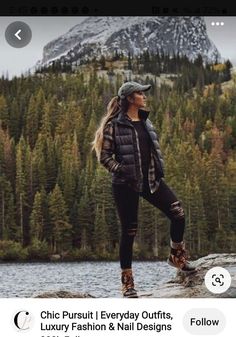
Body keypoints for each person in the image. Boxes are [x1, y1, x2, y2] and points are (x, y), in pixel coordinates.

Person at [92, 81, 196, 298]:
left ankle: (177, 256)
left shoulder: (146, 122)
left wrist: (158, 169)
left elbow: (152, 152)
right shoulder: (114, 126)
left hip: (151, 181)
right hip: (125, 184)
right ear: (130, 98)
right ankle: (127, 284)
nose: (144, 96)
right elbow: (104, 158)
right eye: (140, 93)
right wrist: (123, 170)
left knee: (178, 212)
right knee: (129, 232)